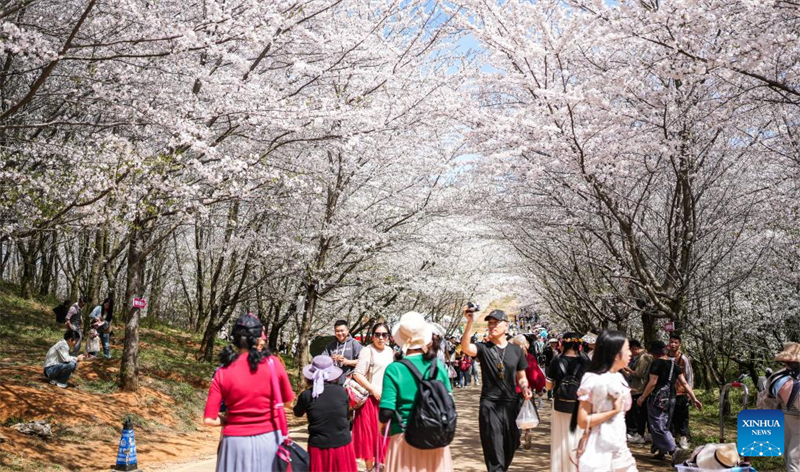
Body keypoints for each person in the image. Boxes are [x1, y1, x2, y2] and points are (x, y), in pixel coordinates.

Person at [203, 314, 294, 472]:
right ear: (259, 338)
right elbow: (288, 402)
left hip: (234, 444)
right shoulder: (274, 364)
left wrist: (230, 419)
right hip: (269, 440)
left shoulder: (222, 371)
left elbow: (209, 420)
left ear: (235, 339)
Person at [379, 311, 454, 472]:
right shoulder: (438, 367)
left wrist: (382, 427)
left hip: (403, 438)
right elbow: (449, 401)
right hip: (435, 439)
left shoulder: (394, 369)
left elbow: (386, 412)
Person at [461, 308, 532, 472]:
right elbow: (465, 347)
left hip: (511, 405)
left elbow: (521, 376)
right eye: (490, 323)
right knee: (494, 448)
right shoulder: (483, 348)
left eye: (496, 322)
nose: (492, 326)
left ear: (506, 326)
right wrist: (470, 322)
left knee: (511, 444)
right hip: (490, 405)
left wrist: (525, 387)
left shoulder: (516, 351)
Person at [571, 330, 637, 472]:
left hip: (620, 445)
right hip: (599, 448)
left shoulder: (620, 378)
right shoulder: (593, 379)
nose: (630, 353)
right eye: (626, 349)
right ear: (615, 352)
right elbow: (582, 421)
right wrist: (613, 411)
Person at [636, 340, 701, 463]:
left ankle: (674, 450)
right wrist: (694, 398)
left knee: (657, 426)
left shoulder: (656, 364)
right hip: (671, 398)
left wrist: (643, 397)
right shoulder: (673, 364)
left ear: (655, 353)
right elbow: (685, 383)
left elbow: (652, 382)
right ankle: (661, 451)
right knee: (665, 424)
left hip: (658, 399)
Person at [294, 355, 357, 472]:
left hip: (319, 446)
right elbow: (345, 413)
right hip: (342, 444)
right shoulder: (342, 392)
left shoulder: (307, 395)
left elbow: (297, 413)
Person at [352, 323, 394, 472]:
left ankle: (382, 465)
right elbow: (357, 374)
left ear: (389, 336)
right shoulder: (367, 351)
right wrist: (373, 389)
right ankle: (370, 468)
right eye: (377, 334)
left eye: (384, 334)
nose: (381, 337)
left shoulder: (390, 351)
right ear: (372, 336)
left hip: (386, 399)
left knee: (385, 435)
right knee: (369, 436)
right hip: (370, 400)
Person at [546, 332, 589, 472]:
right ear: (579, 344)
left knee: (560, 438)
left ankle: (560, 468)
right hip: (580, 405)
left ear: (562, 344)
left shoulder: (556, 360)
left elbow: (549, 385)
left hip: (560, 404)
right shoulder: (586, 361)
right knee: (578, 437)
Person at [758, 343, 800, 472]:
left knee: (794, 458)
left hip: (794, 419)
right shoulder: (781, 377)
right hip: (787, 417)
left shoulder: (780, 378)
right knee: (789, 455)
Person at [512, 334, 546, 450]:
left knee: (514, 415)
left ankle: (516, 439)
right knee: (526, 414)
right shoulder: (529, 357)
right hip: (525, 390)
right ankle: (527, 432)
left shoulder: (509, 356)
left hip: (512, 390)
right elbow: (534, 375)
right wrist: (540, 387)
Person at [667, 333, 694, 449]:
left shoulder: (683, 358)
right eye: (671, 342)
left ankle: (683, 438)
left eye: (675, 342)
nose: (673, 344)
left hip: (681, 392)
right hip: (668, 392)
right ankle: (672, 438)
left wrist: (690, 391)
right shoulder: (665, 357)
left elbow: (689, 375)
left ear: (679, 345)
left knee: (683, 416)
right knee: (670, 416)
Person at [623, 339, 651, 444]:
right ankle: (640, 433)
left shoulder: (644, 358)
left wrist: (627, 369)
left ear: (635, 348)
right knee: (638, 413)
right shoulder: (641, 357)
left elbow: (638, 374)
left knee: (640, 414)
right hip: (637, 388)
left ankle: (640, 434)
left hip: (640, 389)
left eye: (630, 350)